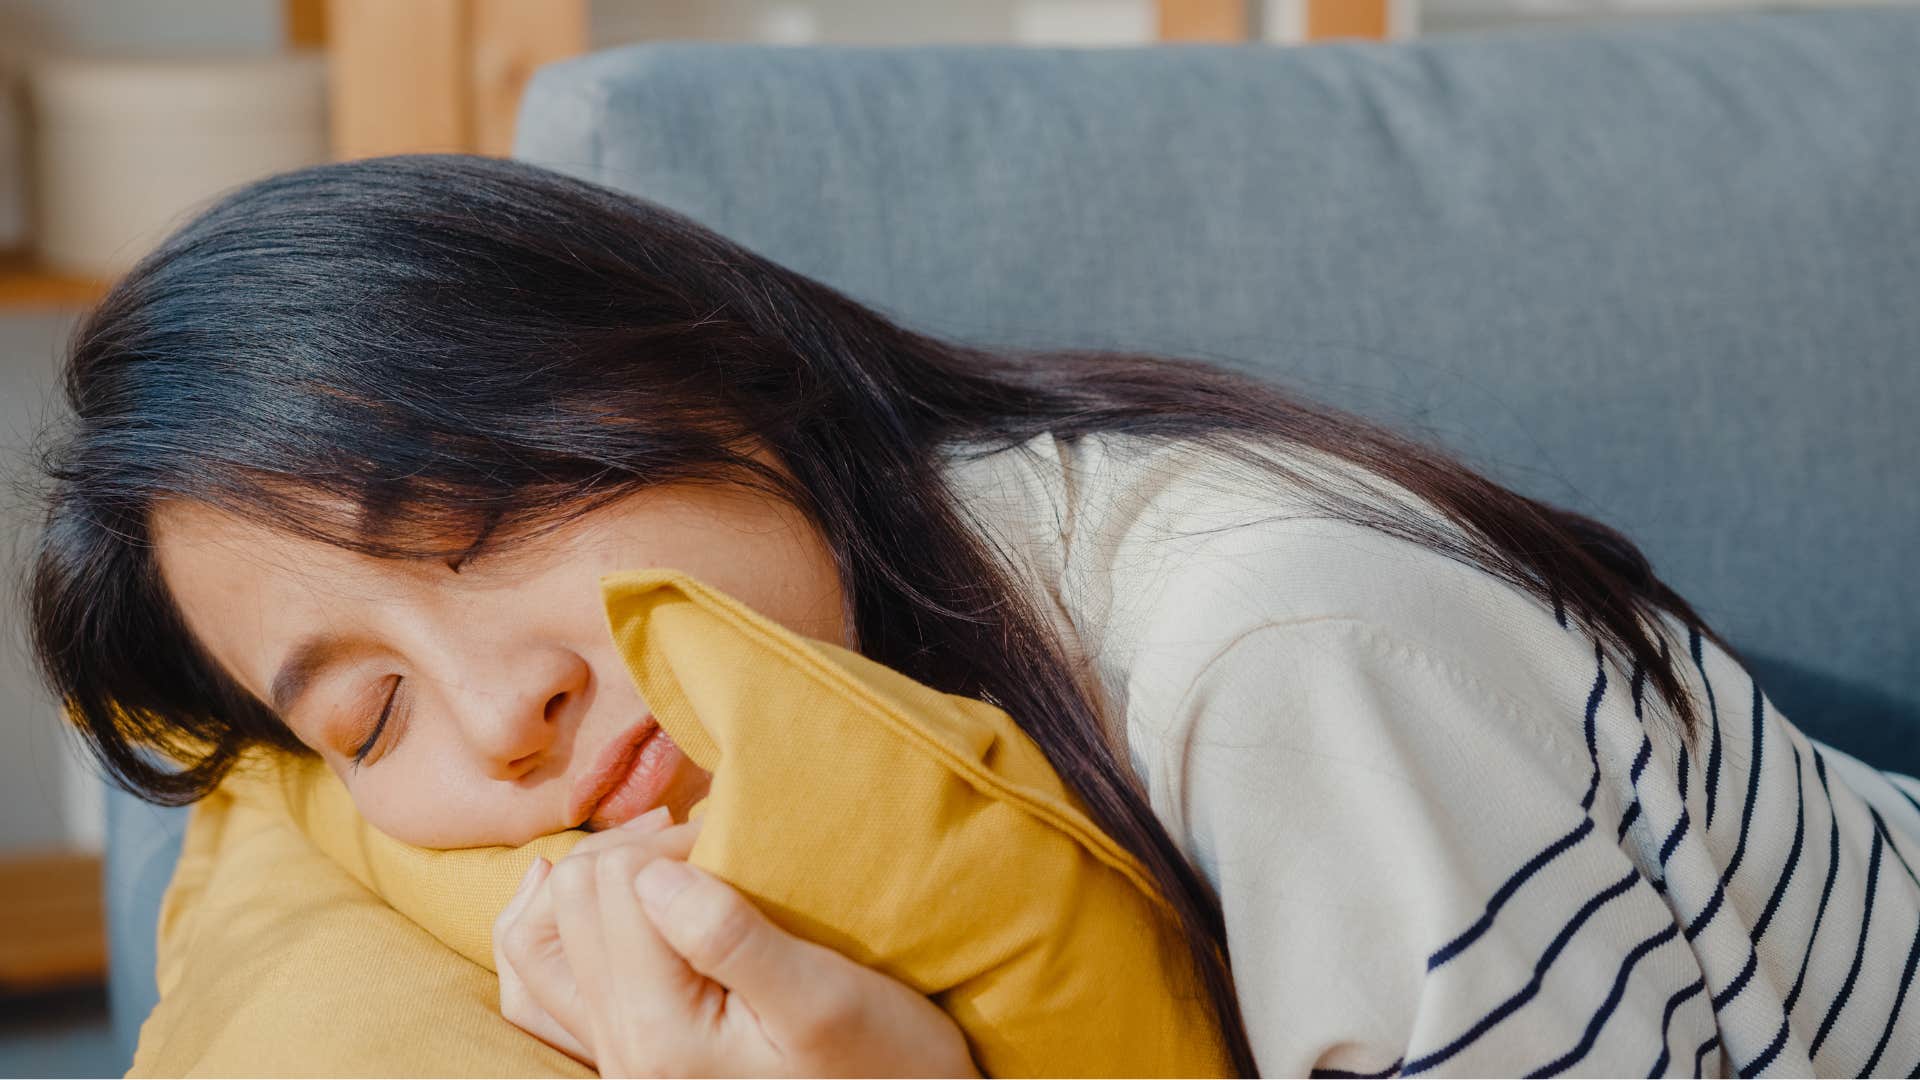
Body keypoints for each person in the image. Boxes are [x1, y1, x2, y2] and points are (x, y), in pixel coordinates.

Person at [29, 154, 1920, 1077]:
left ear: (699, 360)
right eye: (365, 717)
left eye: (488, 515)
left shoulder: (1293, 671)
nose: (493, 712)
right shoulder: (844, 688)